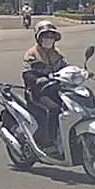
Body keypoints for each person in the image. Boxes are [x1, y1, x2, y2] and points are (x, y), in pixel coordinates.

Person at [22, 20, 67, 154]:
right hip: (37, 92)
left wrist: (79, 73)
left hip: (55, 89)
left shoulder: (57, 53)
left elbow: (66, 67)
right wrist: (37, 80)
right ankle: (49, 143)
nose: (49, 39)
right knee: (54, 109)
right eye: (46, 36)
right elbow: (27, 74)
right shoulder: (32, 54)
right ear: (39, 37)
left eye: (51, 36)